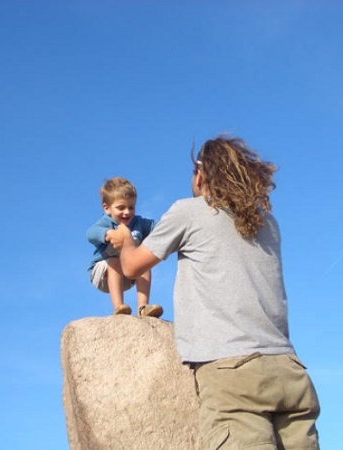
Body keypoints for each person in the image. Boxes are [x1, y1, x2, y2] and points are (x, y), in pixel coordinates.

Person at [108, 137, 320, 449]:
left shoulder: (188, 212)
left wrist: (125, 240)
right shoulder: (268, 223)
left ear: (200, 173)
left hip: (231, 372)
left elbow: (132, 268)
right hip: (289, 371)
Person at [86, 177, 163, 317]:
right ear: (107, 208)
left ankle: (143, 307)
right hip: (102, 273)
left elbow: (159, 227)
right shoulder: (106, 222)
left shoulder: (138, 222)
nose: (127, 212)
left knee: (144, 261)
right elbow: (90, 233)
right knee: (115, 261)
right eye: (121, 208)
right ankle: (119, 307)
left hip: (127, 274)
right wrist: (108, 234)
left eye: (131, 207)